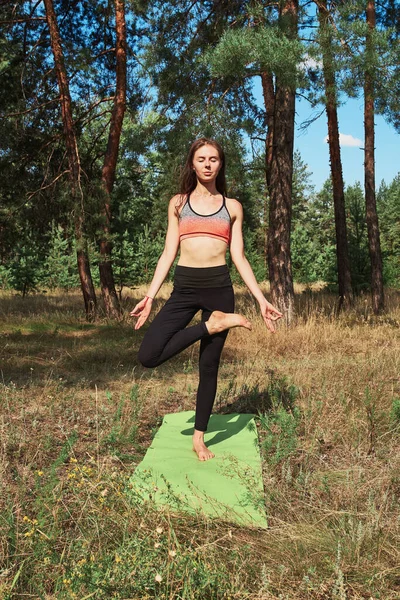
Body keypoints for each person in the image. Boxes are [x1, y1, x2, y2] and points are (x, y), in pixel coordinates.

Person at [130, 138, 283, 461]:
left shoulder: (232, 207)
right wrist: (149, 296)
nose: (208, 164)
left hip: (219, 288)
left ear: (220, 164)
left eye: (214, 159)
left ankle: (199, 438)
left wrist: (260, 299)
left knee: (208, 366)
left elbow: (239, 257)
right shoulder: (178, 204)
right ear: (192, 164)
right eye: (202, 159)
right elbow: (169, 252)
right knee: (149, 355)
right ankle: (210, 326)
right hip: (184, 289)